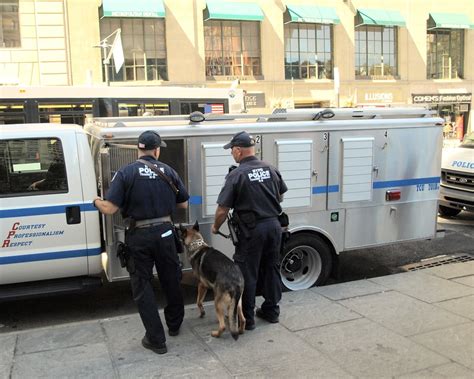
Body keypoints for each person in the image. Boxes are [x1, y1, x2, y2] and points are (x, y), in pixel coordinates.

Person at [94, 130, 189, 355]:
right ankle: (174, 325)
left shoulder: (126, 173)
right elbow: (183, 204)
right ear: (156, 150)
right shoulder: (169, 171)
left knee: (142, 286)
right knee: (171, 279)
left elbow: (109, 209)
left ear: (139, 149)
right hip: (166, 233)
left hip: (140, 236)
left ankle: (157, 340)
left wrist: (95, 201)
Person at [211, 131, 288, 330]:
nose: (231, 155)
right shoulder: (270, 168)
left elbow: (222, 209)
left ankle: (249, 320)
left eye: (232, 151)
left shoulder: (237, 174)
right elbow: (280, 197)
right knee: (271, 268)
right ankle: (271, 311)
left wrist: (215, 226)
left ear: (238, 151)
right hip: (274, 227)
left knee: (247, 273)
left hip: (251, 231)